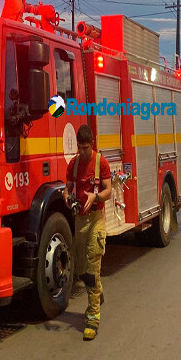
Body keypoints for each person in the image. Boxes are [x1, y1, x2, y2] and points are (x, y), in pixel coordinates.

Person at [63, 125, 112, 341]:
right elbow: (67, 188)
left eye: (85, 148)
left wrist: (95, 197)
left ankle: (92, 318)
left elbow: (108, 190)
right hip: (79, 221)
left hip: (95, 220)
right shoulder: (73, 164)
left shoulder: (101, 163)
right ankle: (97, 292)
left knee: (92, 270)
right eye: (79, 148)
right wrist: (66, 197)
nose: (81, 152)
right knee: (82, 272)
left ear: (91, 144)